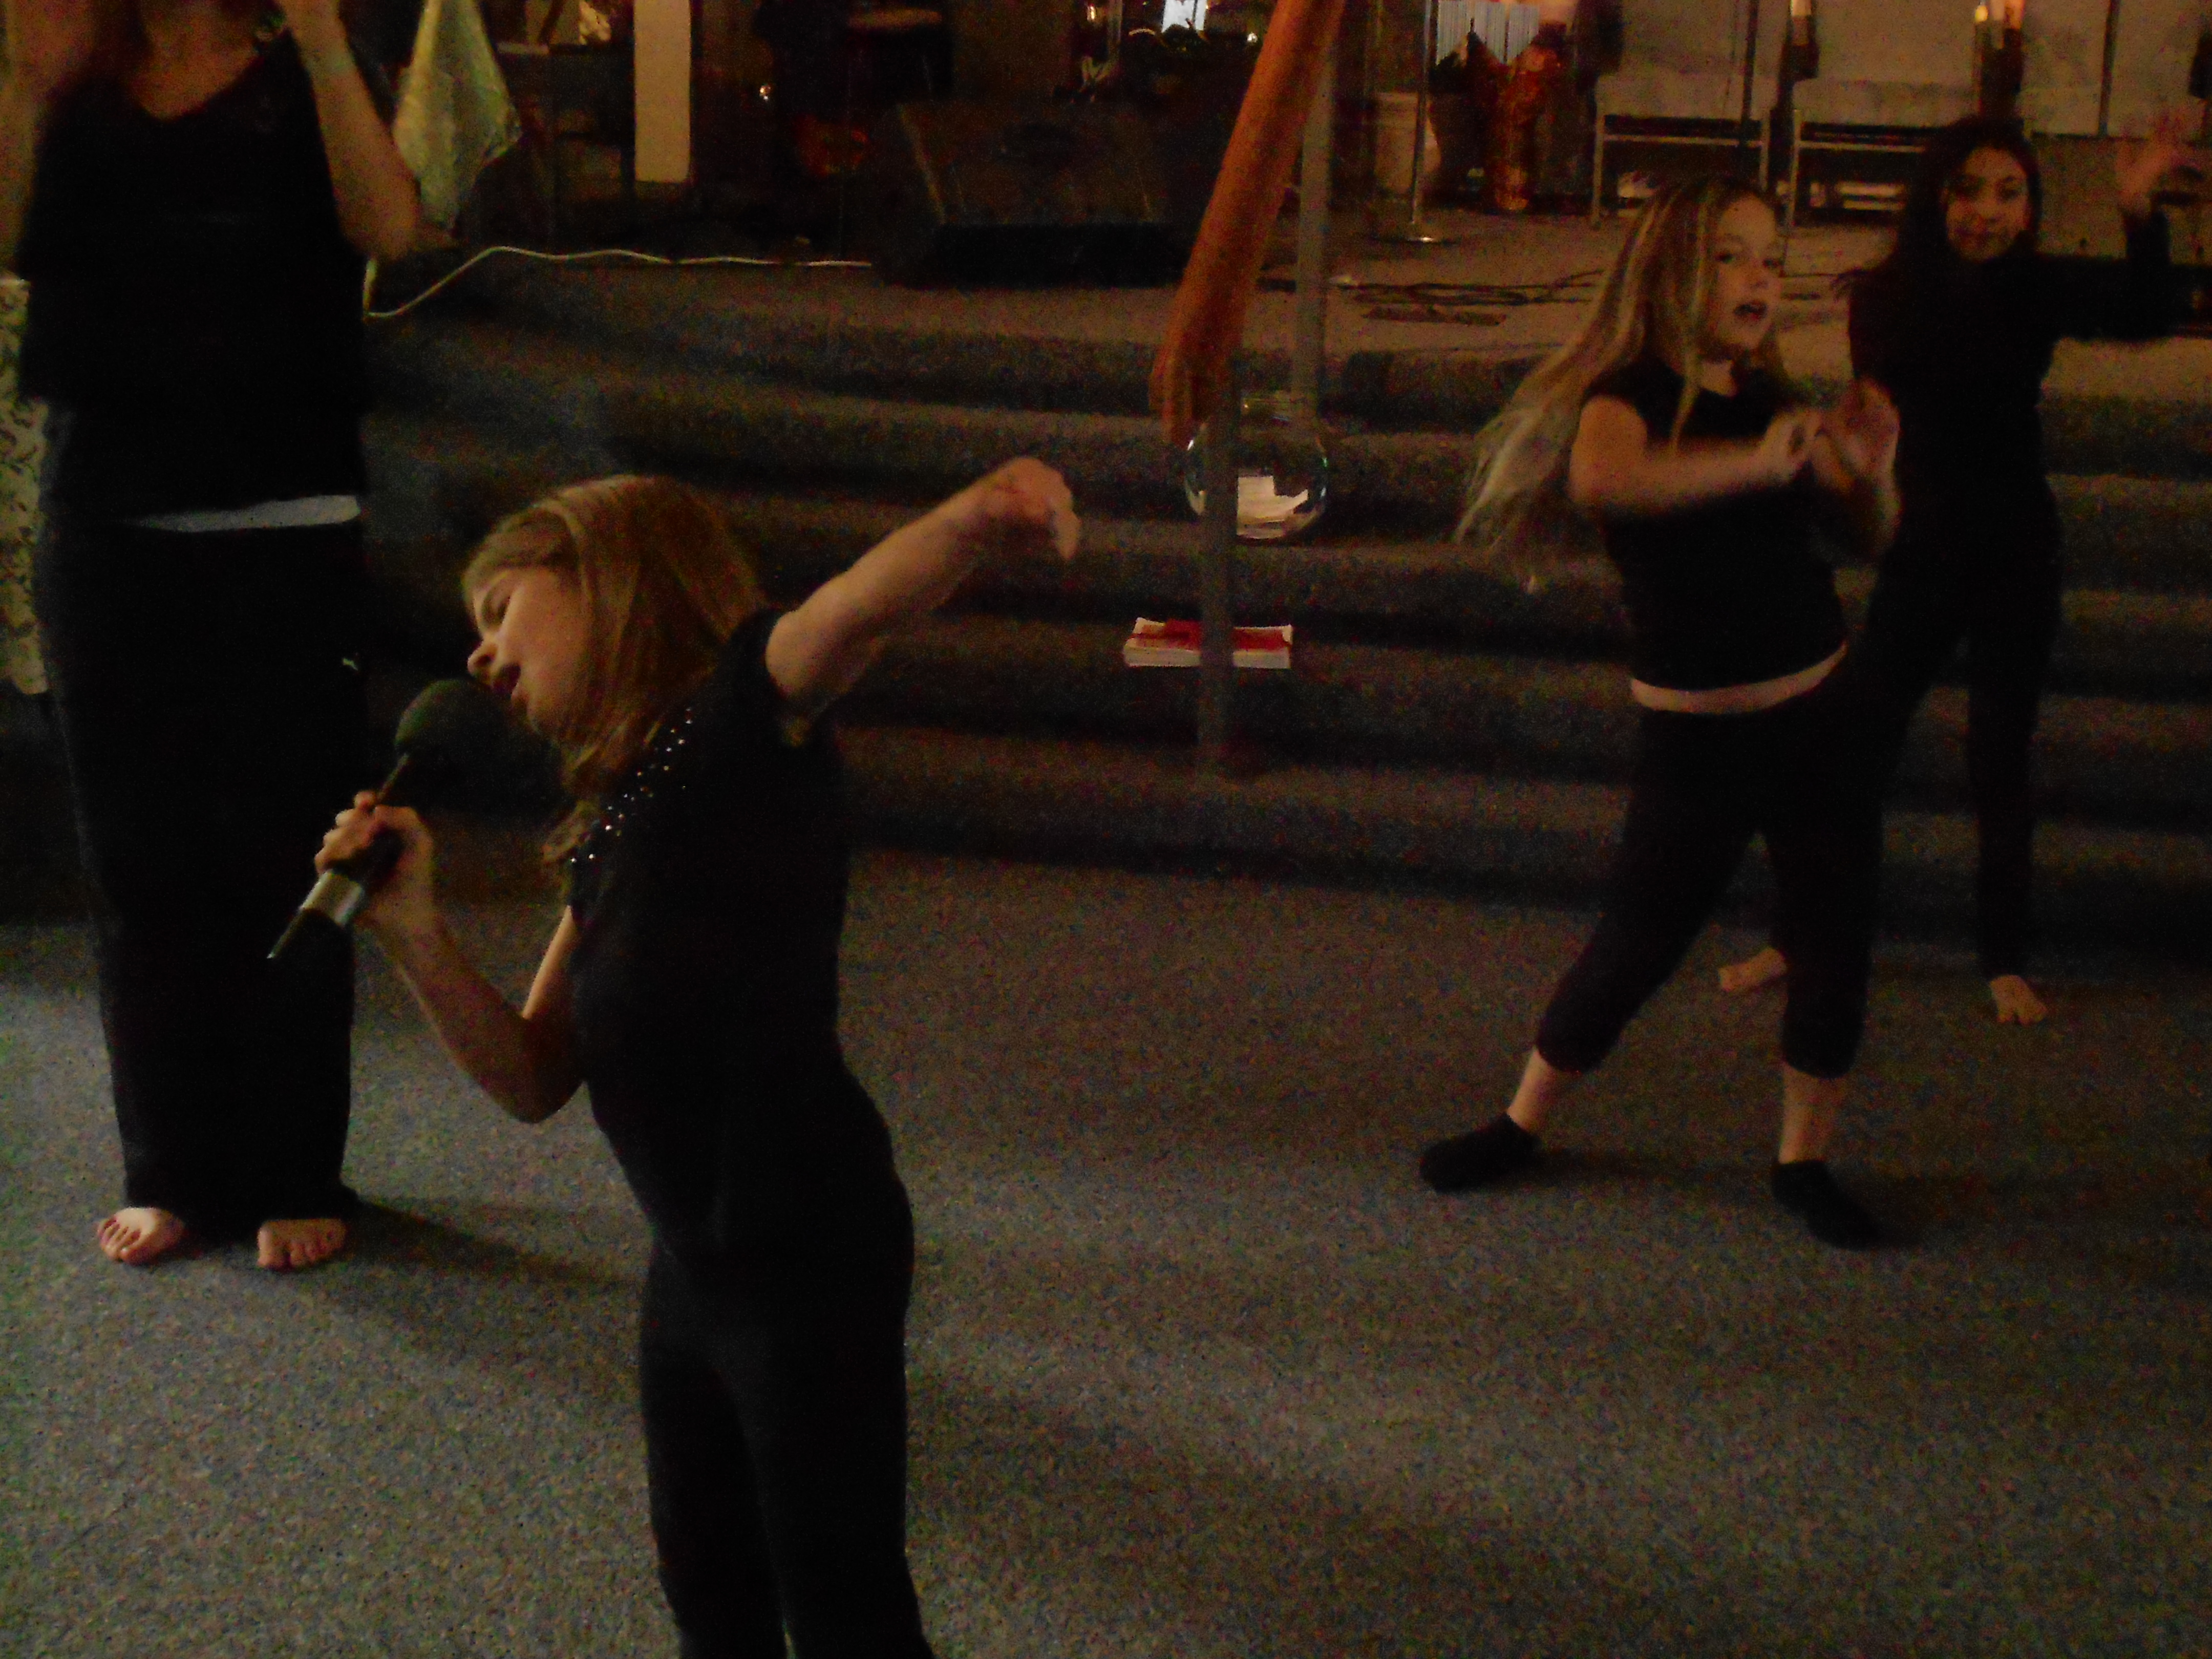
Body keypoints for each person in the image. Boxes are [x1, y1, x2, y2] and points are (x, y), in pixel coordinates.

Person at [317, 462, 1079, 1657]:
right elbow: (531, 1076)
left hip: (809, 1248)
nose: (478, 655)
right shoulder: (610, 823)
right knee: (708, 1585)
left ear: (605, 573)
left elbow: (848, 618)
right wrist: (414, 933)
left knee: (842, 1603)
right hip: (696, 1261)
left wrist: (973, 520)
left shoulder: (735, 722)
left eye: (501, 610)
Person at [1, 0, 421, 1268]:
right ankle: (170, 1166)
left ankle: (296, 1167)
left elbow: (391, 228)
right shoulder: (72, 76)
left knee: (290, 844)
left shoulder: (305, 70)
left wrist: (326, 39)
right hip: (109, 517)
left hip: (286, 508)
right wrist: (23, 84)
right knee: (138, 859)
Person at [1420, 176, 1901, 1248]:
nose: (1760, 278)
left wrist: (1873, 474)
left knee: (1834, 940)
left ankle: (1804, 1160)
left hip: (1821, 716)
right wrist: (1753, 463)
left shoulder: (1775, 404)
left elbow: (1867, 539)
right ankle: (1521, 1121)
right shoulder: (1627, 397)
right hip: (1697, 739)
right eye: (1732, 256)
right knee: (1638, 941)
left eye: (1773, 259)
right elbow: (1607, 483)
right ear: (1674, 270)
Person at [1717, 114, 2197, 1025]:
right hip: (1924, 550)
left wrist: (2138, 209)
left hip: (2016, 550)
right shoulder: (1888, 295)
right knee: (1853, 749)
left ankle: (2003, 957)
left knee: (2000, 756)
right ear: (1936, 197)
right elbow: (1899, 396)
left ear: (2030, 208)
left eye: (2010, 194)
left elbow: (2147, 315)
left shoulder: (2035, 285)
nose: (1988, 212)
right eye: (1969, 191)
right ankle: (1800, 933)